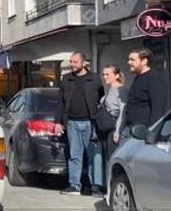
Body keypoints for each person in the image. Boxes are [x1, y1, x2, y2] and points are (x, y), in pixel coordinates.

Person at [54, 52, 104, 197]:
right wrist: (58, 122)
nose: (72, 64)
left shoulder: (94, 79)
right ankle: (74, 185)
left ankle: (96, 187)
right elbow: (60, 102)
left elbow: (101, 98)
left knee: (94, 156)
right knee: (75, 156)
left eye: (75, 62)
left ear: (83, 63)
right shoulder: (66, 79)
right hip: (72, 123)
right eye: (71, 62)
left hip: (90, 123)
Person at [123, 48, 169, 133]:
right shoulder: (138, 77)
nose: (129, 62)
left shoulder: (154, 78)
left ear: (144, 61)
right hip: (131, 128)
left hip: (143, 131)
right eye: (129, 59)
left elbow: (158, 108)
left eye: (132, 60)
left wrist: (152, 132)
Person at [96, 65, 127, 190]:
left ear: (117, 75)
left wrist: (118, 131)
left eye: (107, 74)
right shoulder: (109, 89)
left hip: (114, 129)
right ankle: (108, 187)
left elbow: (123, 111)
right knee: (107, 159)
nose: (104, 77)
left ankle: (113, 188)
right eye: (103, 74)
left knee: (113, 159)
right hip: (106, 128)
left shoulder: (121, 90)